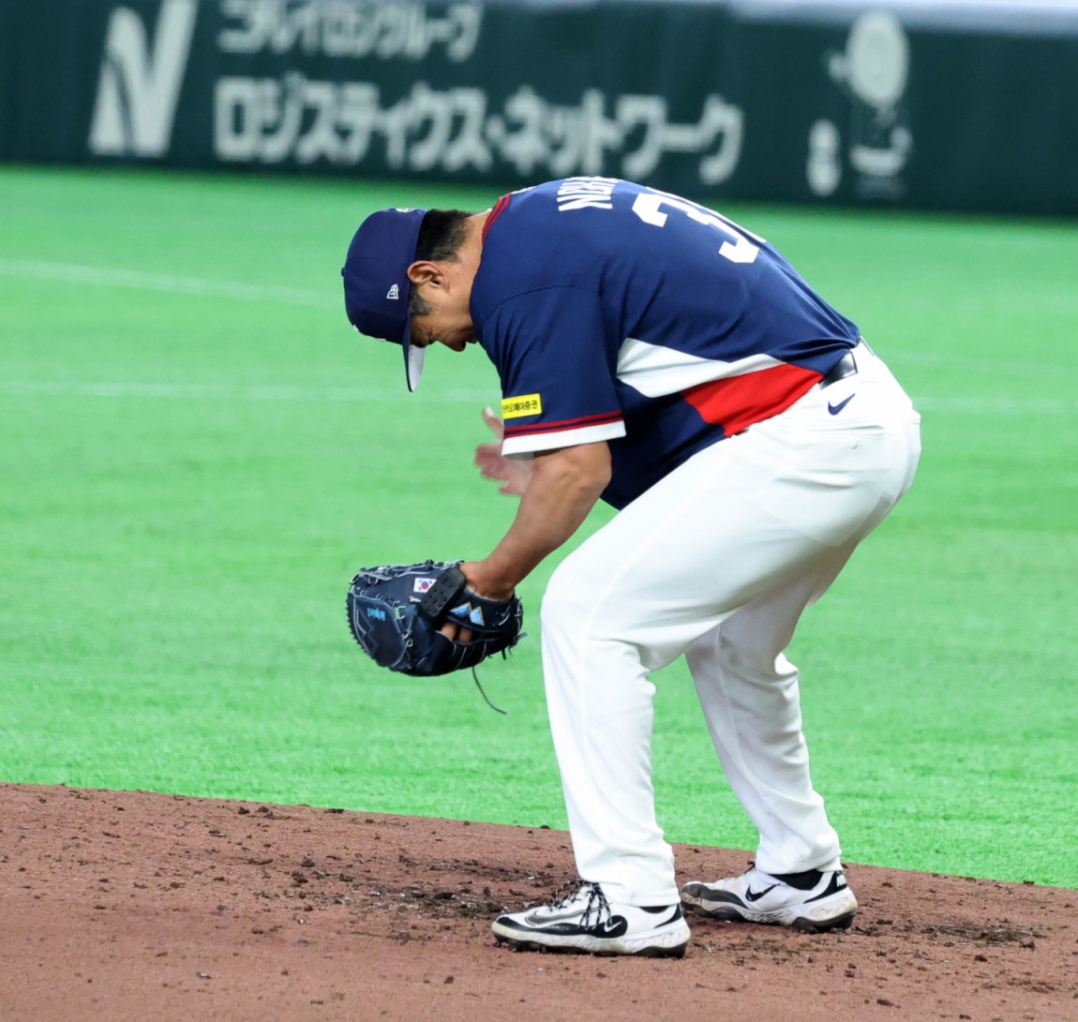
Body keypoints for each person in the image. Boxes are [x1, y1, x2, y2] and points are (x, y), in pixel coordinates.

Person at [341, 178, 921, 958]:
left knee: (587, 612)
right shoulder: (536, 224)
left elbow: (578, 472)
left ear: (429, 275)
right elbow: (650, 392)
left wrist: (488, 577)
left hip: (810, 437)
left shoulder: (520, 278)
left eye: (421, 328)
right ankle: (800, 868)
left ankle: (629, 896)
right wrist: (548, 462)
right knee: (732, 640)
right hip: (859, 420)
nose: (445, 344)